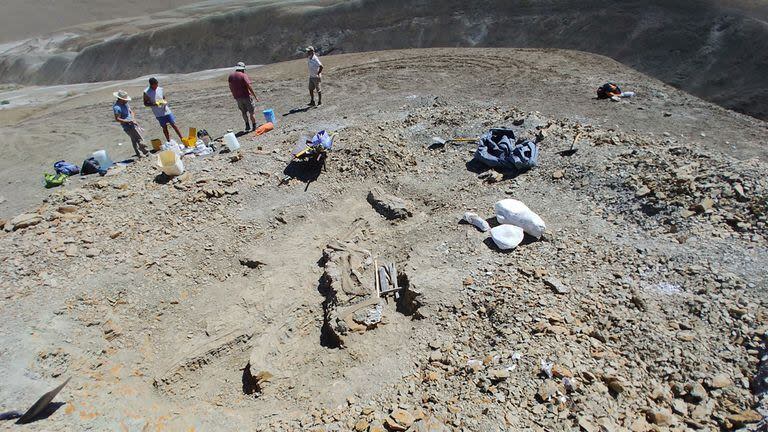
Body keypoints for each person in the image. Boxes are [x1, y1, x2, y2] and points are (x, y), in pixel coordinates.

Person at [143, 77, 184, 142]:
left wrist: (164, 102)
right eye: (155, 85)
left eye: (157, 84)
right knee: (164, 127)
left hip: (166, 110)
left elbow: (163, 97)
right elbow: (145, 103)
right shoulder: (146, 92)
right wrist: (154, 104)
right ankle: (168, 141)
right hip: (158, 113)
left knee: (173, 124)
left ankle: (182, 138)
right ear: (151, 85)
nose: (156, 86)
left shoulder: (160, 89)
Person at [112, 90, 149, 158]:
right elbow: (117, 119)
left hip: (132, 123)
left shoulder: (125, 104)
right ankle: (146, 152)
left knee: (134, 139)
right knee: (139, 138)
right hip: (127, 126)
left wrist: (133, 119)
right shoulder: (117, 107)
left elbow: (131, 111)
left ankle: (139, 154)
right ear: (121, 99)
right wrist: (128, 121)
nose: (127, 101)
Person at [228, 62, 259, 131]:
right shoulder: (243, 75)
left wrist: (234, 95)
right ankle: (254, 126)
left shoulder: (231, 76)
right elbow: (249, 86)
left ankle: (247, 125)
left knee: (243, 112)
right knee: (251, 112)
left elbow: (230, 87)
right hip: (246, 96)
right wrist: (255, 96)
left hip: (238, 98)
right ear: (242, 69)